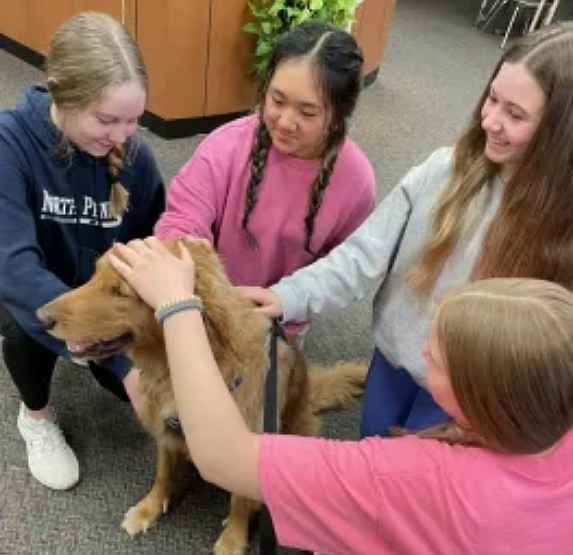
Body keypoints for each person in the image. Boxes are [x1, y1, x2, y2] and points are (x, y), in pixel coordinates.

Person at [110, 237, 573, 555]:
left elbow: (224, 458)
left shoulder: (404, 475)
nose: (423, 349)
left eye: (436, 357)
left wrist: (176, 306)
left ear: (484, 396)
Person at [240, 21, 573, 437]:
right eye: (492, 98)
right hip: (397, 359)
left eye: (515, 114)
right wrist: (287, 296)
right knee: (375, 448)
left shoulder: (559, 230)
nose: (489, 120)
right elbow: (364, 253)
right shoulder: (444, 170)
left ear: (560, 134)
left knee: (421, 488)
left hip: (474, 394)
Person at [0, 12, 165, 491]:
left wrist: (139, 350)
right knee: (24, 326)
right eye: (107, 119)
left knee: (134, 391)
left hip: (101, 297)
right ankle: (36, 417)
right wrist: (116, 361)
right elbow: (15, 268)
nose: (122, 135)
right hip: (31, 289)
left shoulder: (136, 158)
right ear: (59, 91)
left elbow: (155, 249)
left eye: (134, 120)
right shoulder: (10, 143)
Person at [154, 20, 375, 336]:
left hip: (281, 319)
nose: (285, 122)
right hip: (207, 306)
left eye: (307, 112)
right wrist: (184, 252)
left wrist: (291, 300)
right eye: (277, 100)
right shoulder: (225, 145)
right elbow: (183, 217)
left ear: (338, 115)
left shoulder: (357, 182)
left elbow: (345, 266)